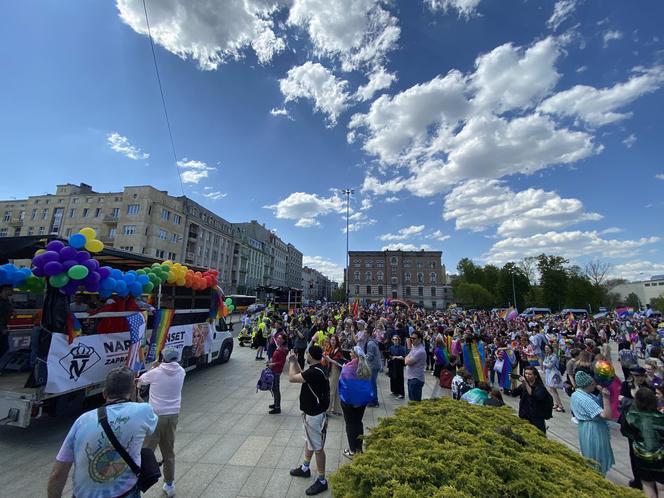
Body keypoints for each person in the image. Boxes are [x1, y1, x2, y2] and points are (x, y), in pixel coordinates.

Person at [47, 367, 157, 498]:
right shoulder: (144, 411)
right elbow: (150, 428)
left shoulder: (82, 421)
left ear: (104, 393)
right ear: (132, 390)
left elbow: (57, 474)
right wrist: (136, 396)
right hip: (126, 493)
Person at [137, 347, 186, 498]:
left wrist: (154, 366)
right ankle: (169, 485)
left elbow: (141, 381)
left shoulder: (155, 372)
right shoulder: (181, 372)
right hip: (173, 416)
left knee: (146, 451)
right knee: (168, 451)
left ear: (162, 358)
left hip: (155, 417)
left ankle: (138, 484)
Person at [287, 345, 330, 496]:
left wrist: (291, 362)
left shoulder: (314, 373)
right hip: (313, 414)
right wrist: (295, 361)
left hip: (314, 416)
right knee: (309, 441)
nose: (306, 355)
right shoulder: (319, 368)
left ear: (310, 356)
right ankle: (305, 468)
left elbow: (293, 377)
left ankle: (322, 480)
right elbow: (302, 373)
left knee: (317, 448)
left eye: (307, 353)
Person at [621, 387, 664, 497]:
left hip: (640, 456)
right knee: (662, 488)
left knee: (647, 485)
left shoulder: (630, 416)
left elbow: (625, 431)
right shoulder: (660, 418)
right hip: (660, 458)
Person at [570, 371, 615, 476]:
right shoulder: (584, 398)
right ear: (587, 385)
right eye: (593, 384)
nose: (595, 386)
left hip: (586, 428)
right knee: (596, 456)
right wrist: (606, 398)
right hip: (593, 429)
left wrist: (600, 394)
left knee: (590, 454)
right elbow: (606, 415)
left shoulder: (577, 394)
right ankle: (598, 478)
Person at [339, 346, 373, 460]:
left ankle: (352, 451)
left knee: (350, 424)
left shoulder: (348, 368)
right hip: (361, 401)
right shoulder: (365, 367)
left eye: (351, 353)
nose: (349, 354)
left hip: (349, 402)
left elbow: (342, 384)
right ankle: (359, 449)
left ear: (355, 355)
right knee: (358, 423)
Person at [512, 366, 551, 433]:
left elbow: (534, 396)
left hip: (536, 417)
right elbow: (514, 393)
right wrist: (513, 383)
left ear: (535, 376)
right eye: (526, 373)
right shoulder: (523, 386)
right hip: (524, 414)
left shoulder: (540, 388)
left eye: (530, 374)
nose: (527, 376)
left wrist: (526, 383)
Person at [267, 332, 288, 414]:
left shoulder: (283, 349)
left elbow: (282, 362)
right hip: (274, 370)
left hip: (276, 371)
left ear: (283, 340)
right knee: (274, 388)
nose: (277, 339)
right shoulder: (280, 346)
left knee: (276, 389)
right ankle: (276, 403)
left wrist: (273, 364)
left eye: (280, 338)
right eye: (277, 338)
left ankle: (277, 407)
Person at [324, 334, 343, 416]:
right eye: (331, 340)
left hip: (335, 370)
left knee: (331, 390)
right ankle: (337, 409)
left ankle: (327, 410)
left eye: (334, 340)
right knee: (336, 390)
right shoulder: (331, 348)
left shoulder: (338, 350)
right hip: (331, 369)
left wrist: (329, 359)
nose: (332, 341)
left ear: (337, 341)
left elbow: (339, 363)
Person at [404, 330, 426, 401]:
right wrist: (407, 357)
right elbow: (407, 358)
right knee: (411, 400)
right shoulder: (414, 347)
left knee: (415, 402)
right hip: (411, 378)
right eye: (411, 338)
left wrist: (407, 356)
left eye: (414, 338)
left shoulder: (420, 351)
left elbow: (407, 362)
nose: (412, 340)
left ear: (419, 339)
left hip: (416, 379)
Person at [543, 344, 565, 413]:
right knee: (552, 389)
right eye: (545, 348)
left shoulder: (554, 356)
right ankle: (556, 403)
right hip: (549, 374)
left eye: (547, 348)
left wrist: (544, 364)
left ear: (551, 349)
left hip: (553, 374)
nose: (546, 349)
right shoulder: (548, 356)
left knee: (553, 389)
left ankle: (560, 406)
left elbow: (549, 365)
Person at [366, 330, 383, 407]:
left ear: (368, 334)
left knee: (372, 383)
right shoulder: (374, 342)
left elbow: (370, 356)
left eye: (365, 333)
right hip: (376, 365)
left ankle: (374, 401)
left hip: (373, 365)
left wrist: (363, 357)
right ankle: (373, 399)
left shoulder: (370, 343)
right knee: (372, 383)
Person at [0, 285, 14, 361]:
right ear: (4, 290)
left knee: (5, 347)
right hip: (2, 329)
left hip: (4, 327)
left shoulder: (6, 301)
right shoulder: (1, 302)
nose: (12, 291)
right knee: (3, 347)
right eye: (10, 289)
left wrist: (11, 312)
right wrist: (2, 329)